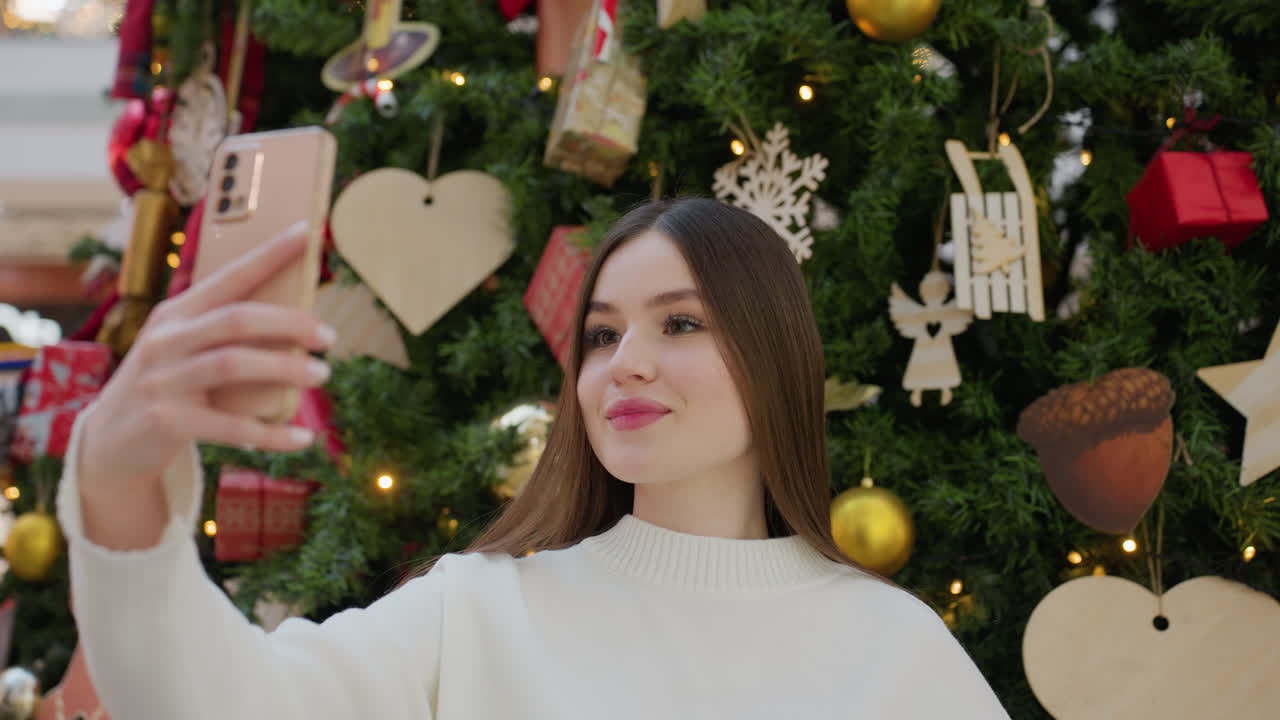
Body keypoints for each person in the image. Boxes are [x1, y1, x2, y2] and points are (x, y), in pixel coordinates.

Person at [60, 197, 1011, 719]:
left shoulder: (891, 648)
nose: (625, 362)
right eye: (600, 335)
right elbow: (210, 703)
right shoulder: (476, 613)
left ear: (772, 357)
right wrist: (113, 477)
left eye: (679, 322)